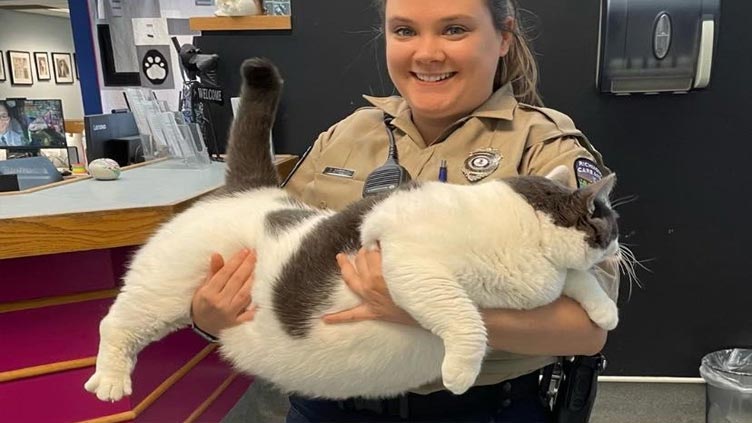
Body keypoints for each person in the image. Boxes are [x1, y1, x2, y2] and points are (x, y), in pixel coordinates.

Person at [191, 0, 620, 421]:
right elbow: (265, 250)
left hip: (474, 406)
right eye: (405, 31)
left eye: (454, 29)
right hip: (326, 399)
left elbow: (587, 330)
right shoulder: (345, 136)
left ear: (504, 36)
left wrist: (424, 309)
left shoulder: (544, 149)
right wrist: (212, 314)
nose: (427, 53)